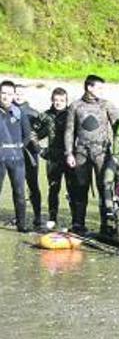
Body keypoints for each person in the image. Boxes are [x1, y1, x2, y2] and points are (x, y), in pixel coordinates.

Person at [64, 74, 118, 234]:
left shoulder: (107, 105)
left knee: (104, 188)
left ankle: (106, 224)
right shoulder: (75, 106)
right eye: (99, 87)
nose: (102, 91)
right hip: (81, 153)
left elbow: (118, 129)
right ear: (89, 87)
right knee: (80, 189)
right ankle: (78, 223)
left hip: (102, 153)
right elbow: (69, 131)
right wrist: (69, 153)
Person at [35, 87, 70, 227]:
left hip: (69, 157)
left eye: (61, 100)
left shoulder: (71, 115)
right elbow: (32, 133)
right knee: (53, 189)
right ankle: (52, 217)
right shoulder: (45, 115)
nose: (58, 103)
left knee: (72, 189)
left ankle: (75, 220)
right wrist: (40, 150)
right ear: (52, 100)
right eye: (56, 100)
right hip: (53, 158)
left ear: (66, 101)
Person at [0, 81, 32, 232]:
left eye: (9, 93)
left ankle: (22, 224)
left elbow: (27, 136)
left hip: (17, 159)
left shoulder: (19, 113)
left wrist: (20, 147)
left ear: (14, 95)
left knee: (19, 191)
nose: (6, 96)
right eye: (3, 93)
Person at [12, 84, 43, 228]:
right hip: (11, 154)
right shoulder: (6, 111)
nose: (18, 96)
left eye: (21, 93)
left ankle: (37, 216)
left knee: (33, 185)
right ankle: (19, 216)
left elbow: (42, 132)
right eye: (16, 93)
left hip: (29, 154)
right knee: (17, 187)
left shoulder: (34, 113)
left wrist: (37, 146)